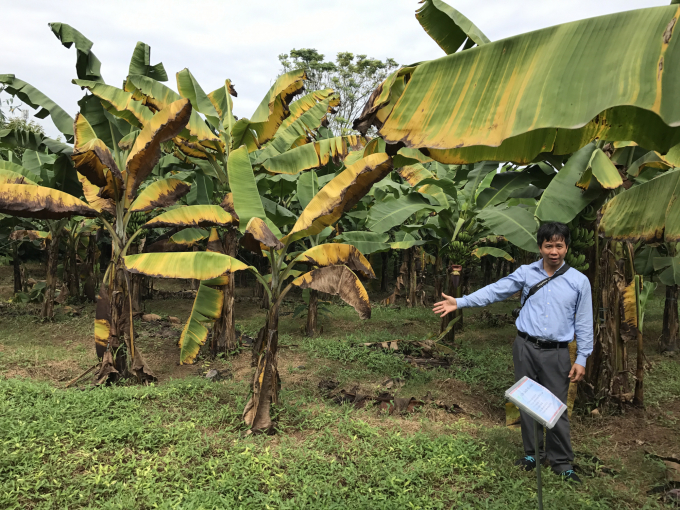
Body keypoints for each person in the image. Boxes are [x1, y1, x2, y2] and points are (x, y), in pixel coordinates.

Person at [433, 222, 592, 483]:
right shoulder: (526, 273)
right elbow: (495, 291)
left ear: (566, 247)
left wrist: (583, 357)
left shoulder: (579, 281)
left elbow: (584, 322)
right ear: (540, 247)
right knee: (526, 401)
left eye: (559, 245)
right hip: (525, 346)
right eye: (548, 245)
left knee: (556, 407)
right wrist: (460, 301)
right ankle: (532, 454)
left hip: (557, 352)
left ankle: (562, 461)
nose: (554, 251)